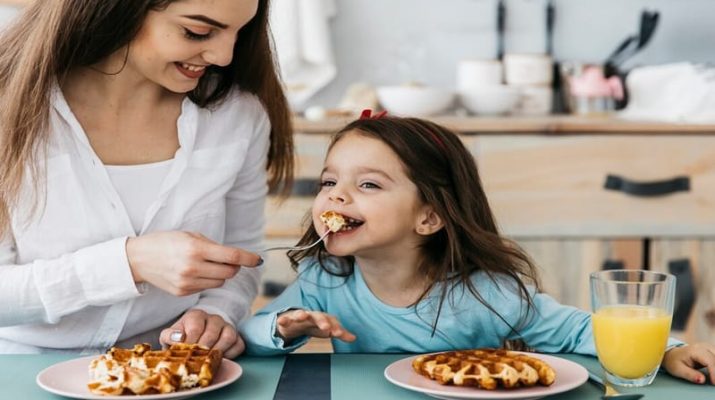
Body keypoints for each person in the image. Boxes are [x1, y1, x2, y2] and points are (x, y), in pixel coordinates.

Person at [240, 113, 715, 384]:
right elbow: (252, 339)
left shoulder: (487, 291)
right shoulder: (327, 280)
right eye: (329, 181)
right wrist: (284, 327)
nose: (335, 196)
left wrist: (671, 349)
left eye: (367, 184)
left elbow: (576, 332)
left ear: (429, 217)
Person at [0, 0, 293, 358]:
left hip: (171, 370)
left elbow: (242, 255)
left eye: (240, 32)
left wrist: (217, 313)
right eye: (198, 31)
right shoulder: (9, 107)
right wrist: (129, 262)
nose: (224, 56)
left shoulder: (236, 115)